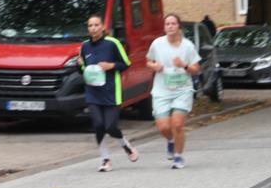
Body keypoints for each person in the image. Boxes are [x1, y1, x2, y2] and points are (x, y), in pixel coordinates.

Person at [79, 15, 139, 171]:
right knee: (98, 125)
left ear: (103, 27)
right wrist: (79, 66)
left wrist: (111, 65)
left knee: (111, 127)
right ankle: (105, 159)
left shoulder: (112, 43)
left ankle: (125, 146)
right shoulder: (85, 46)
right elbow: (84, 69)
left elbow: (126, 63)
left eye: (96, 25)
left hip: (111, 91)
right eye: (90, 25)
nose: (93, 28)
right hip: (93, 93)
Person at [146, 13, 201, 169]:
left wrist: (184, 65)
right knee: (163, 127)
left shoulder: (188, 46)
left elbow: (196, 68)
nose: (170, 26)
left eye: (173, 23)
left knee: (177, 124)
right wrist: (155, 66)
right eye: (167, 24)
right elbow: (148, 61)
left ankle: (178, 156)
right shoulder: (157, 44)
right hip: (161, 90)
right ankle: (171, 140)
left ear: (179, 26)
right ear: (164, 27)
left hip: (182, 90)